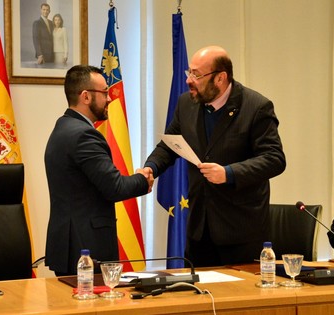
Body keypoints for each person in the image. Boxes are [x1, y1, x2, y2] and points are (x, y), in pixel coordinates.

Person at [142, 46, 286, 267]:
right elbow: (170, 145)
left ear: (220, 78)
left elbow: (274, 159)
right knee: (200, 295)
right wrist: (151, 167)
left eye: (196, 75)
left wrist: (229, 173)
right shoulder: (186, 103)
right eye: (189, 73)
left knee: (239, 298)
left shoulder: (256, 107)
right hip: (199, 227)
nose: (189, 80)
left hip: (240, 230)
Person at [44, 65, 153, 276]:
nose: (110, 99)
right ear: (85, 96)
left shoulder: (62, 127)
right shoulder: (84, 135)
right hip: (85, 246)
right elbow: (115, 188)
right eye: (104, 92)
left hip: (70, 243)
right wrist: (143, 179)